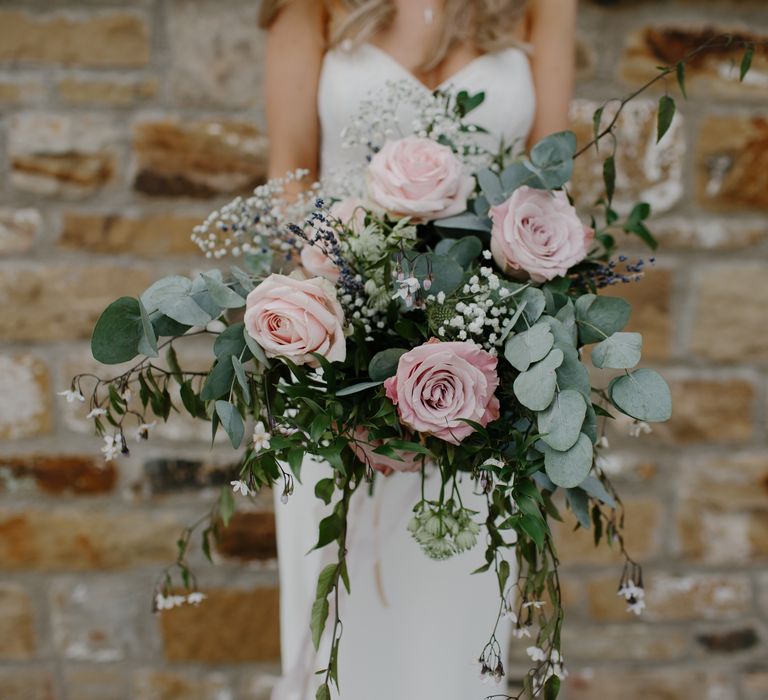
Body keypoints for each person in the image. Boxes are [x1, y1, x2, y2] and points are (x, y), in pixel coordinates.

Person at [258, 2, 577, 698]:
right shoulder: (311, 8)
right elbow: (291, 179)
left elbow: (552, 190)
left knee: (454, 645)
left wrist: (489, 366)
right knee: (338, 639)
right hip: (334, 375)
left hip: (481, 398)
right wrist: (336, 377)